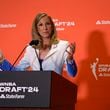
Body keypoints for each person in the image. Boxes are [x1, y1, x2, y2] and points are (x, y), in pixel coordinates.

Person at [0, 13, 77, 77]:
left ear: (52, 27)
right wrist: (2, 61)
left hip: (54, 90)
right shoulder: (31, 48)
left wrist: (70, 60)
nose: (45, 28)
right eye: (40, 25)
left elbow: (72, 74)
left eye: (47, 24)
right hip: (36, 91)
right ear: (36, 29)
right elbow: (17, 72)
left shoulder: (62, 45)